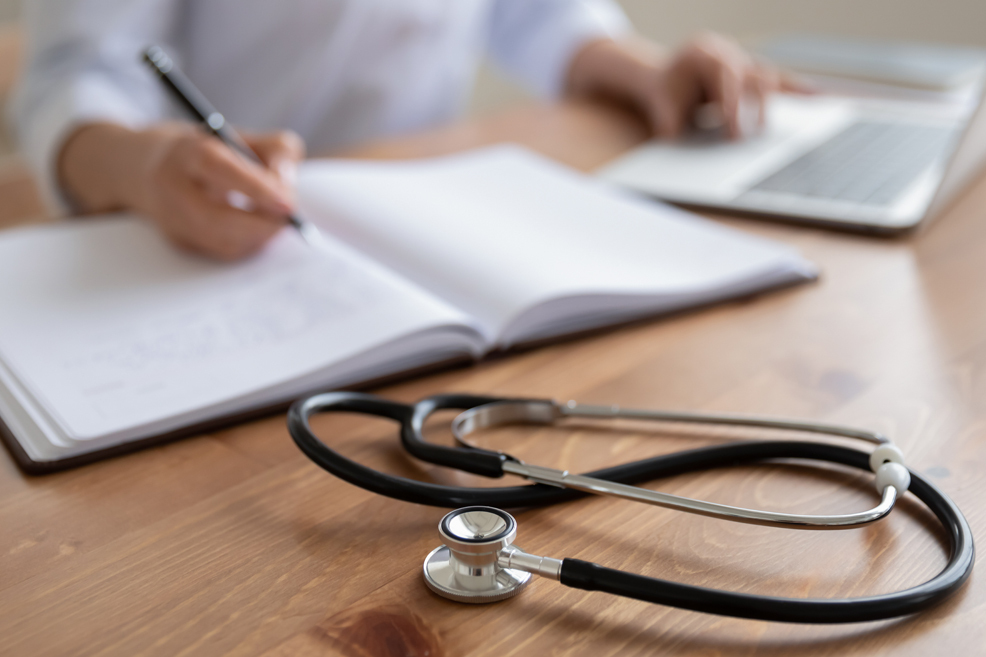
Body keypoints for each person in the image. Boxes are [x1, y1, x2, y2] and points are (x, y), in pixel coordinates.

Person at [12, 0, 794, 261]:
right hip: (190, 235)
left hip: (422, 219)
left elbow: (533, 12)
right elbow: (75, 71)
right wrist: (140, 165)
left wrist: (637, 67)